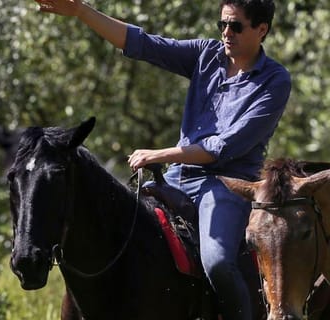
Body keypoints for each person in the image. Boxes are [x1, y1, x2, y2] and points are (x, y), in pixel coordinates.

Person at [32, 0, 290, 318]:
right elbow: (143, 43)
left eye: (236, 26)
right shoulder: (205, 55)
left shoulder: (275, 81)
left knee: (218, 262)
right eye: (222, 24)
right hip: (179, 176)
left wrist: (161, 154)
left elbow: (224, 147)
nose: (226, 33)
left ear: (261, 29)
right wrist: (84, 12)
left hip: (227, 186)